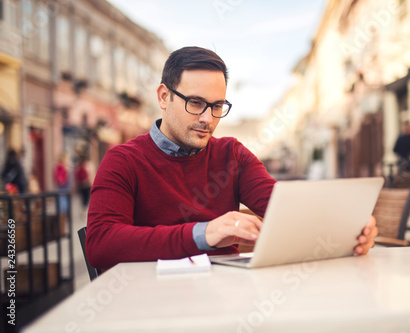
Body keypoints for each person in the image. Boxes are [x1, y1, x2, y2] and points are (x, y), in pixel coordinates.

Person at [86, 46, 378, 270]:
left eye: (217, 106)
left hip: (228, 299)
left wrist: (350, 226)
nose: (207, 118)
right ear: (164, 97)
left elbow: (284, 207)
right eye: (195, 103)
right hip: (154, 303)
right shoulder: (123, 160)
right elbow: (101, 244)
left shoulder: (231, 154)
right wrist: (204, 234)